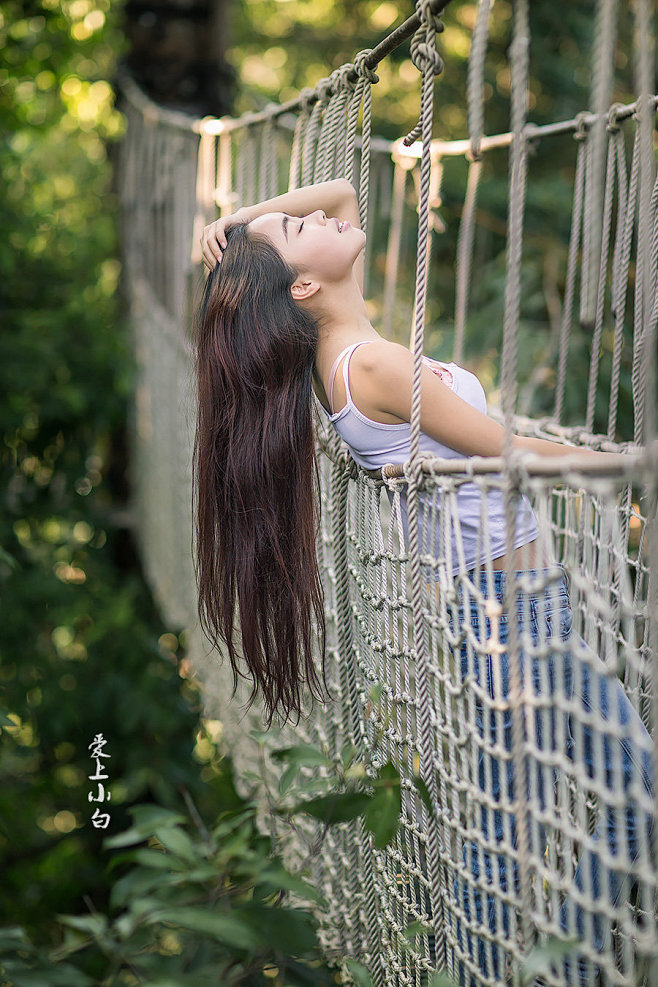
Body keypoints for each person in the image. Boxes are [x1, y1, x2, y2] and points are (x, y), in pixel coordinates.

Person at [194, 179, 654, 984]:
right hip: (512, 616)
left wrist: (239, 222)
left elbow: (341, 194)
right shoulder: (372, 364)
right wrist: (625, 468)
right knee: (596, 809)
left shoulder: (343, 361)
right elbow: (503, 449)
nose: (329, 216)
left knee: (522, 833)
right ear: (304, 286)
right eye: (303, 229)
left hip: (503, 609)